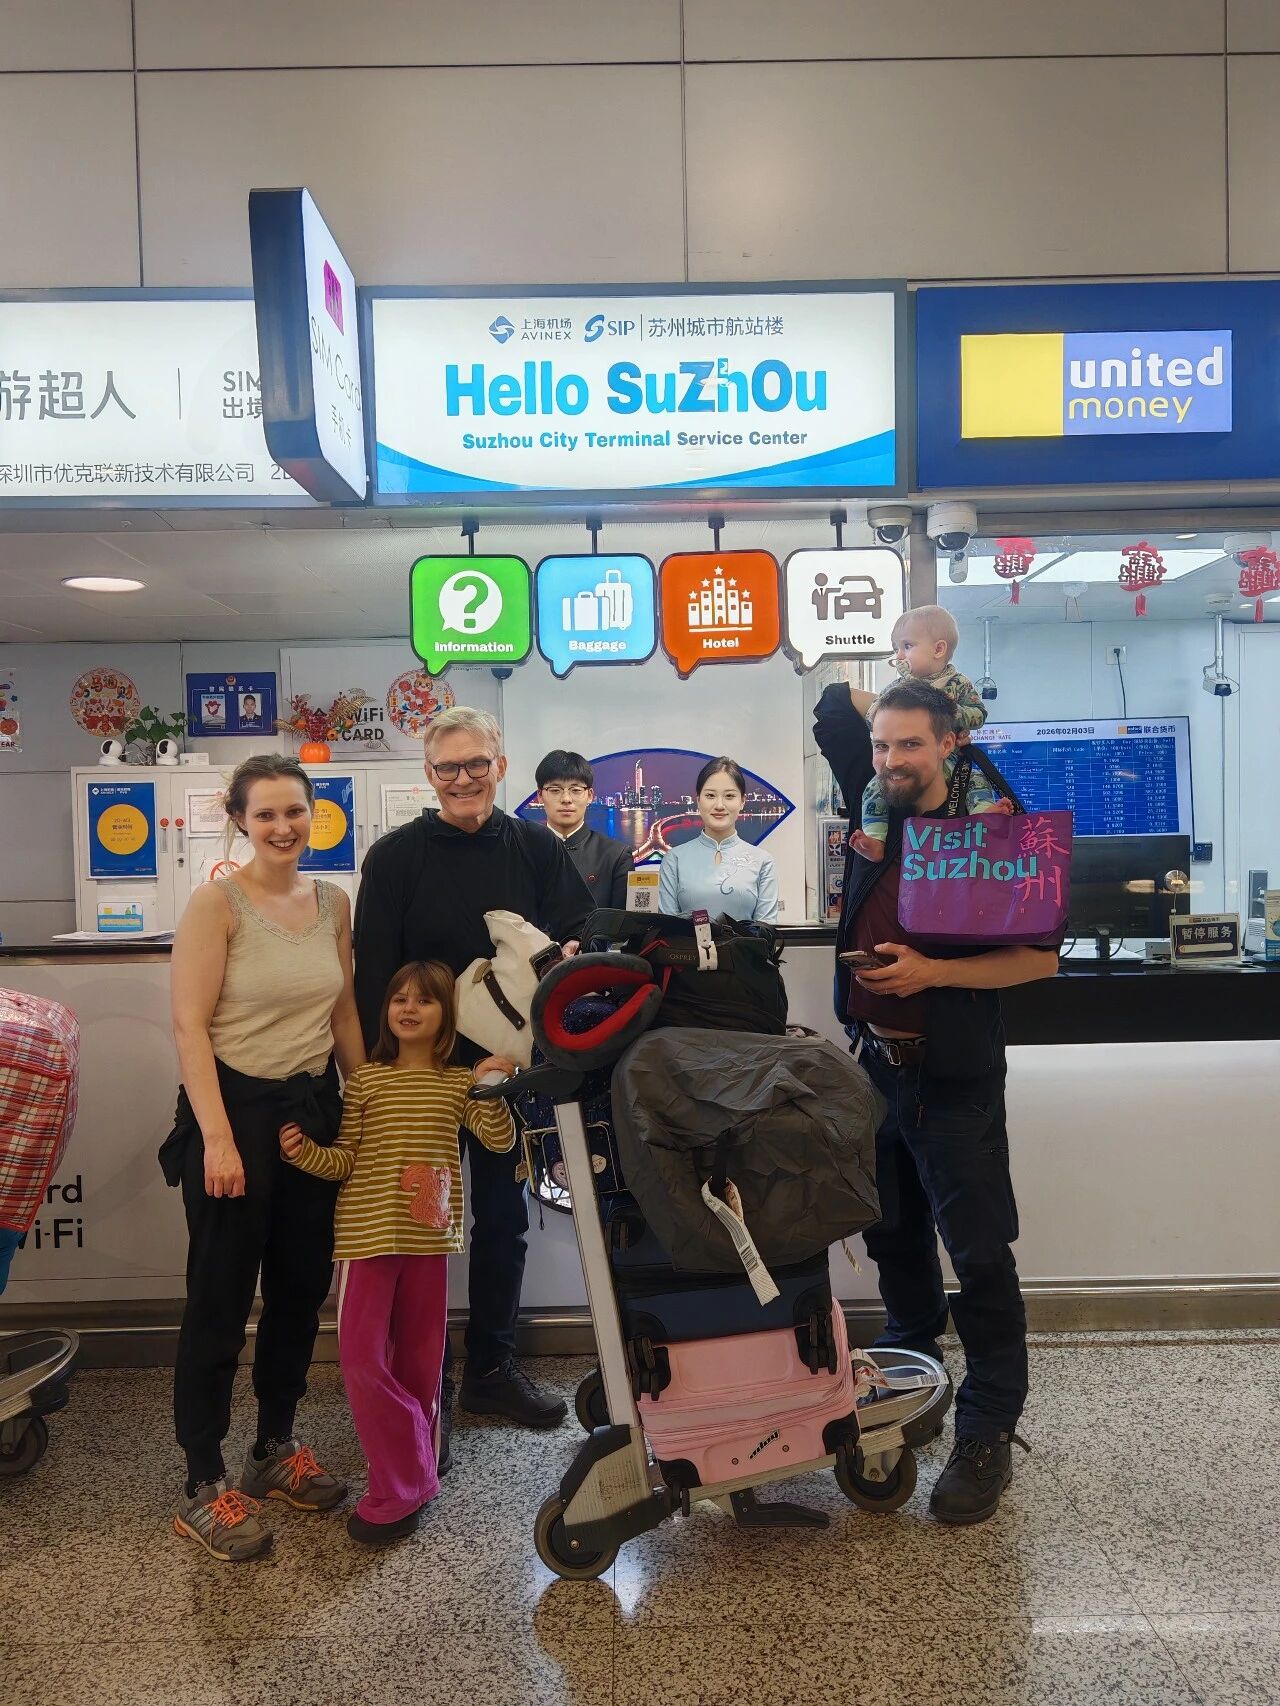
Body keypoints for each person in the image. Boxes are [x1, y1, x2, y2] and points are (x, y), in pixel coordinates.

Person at [814, 677, 1061, 1525]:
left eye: (911, 744)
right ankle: (911, 1373)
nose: (891, 760)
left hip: (954, 1078)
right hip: (874, 1070)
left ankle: (987, 1427)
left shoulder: (992, 826)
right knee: (892, 1233)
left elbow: (1040, 960)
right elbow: (833, 710)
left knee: (981, 1255)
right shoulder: (874, 809)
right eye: (882, 745)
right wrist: (884, 693)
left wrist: (933, 972)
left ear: (951, 745)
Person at [353, 706, 591, 1466]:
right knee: (413, 1231)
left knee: (502, 1220)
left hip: (506, 1075)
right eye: (448, 767)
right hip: (417, 1080)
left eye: (476, 764)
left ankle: (491, 1367)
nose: (463, 779)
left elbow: (576, 942)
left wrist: (560, 980)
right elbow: (372, 974)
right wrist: (381, 1078)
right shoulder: (394, 859)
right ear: (429, 775)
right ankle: (421, 1384)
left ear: (501, 765)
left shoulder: (537, 849)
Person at [167, 753, 365, 1563]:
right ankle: (203, 1479)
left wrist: (366, 1107)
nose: (283, 827)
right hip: (234, 1112)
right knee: (219, 1298)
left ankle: (274, 1446)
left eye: (295, 811)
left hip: (312, 1111)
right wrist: (216, 1136)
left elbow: (343, 1013)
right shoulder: (216, 905)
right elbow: (189, 1026)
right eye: (267, 814)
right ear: (240, 821)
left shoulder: (333, 903)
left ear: (314, 813)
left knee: (299, 1289)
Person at [280, 960, 516, 1547]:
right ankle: (411, 1468)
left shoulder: (458, 1084)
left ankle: (404, 1481)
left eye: (425, 1000)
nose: (409, 1008)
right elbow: (344, 1159)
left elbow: (499, 1141)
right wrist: (303, 1154)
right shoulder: (366, 1081)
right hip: (365, 1238)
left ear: (446, 1015)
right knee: (361, 1360)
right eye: (399, 999)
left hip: (428, 1240)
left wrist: (490, 1085)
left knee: (420, 1365)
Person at [857, 605, 999, 861]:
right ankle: (875, 837)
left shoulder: (958, 683)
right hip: (920, 779)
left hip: (952, 761)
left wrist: (949, 713)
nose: (899, 655)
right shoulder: (896, 688)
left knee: (976, 780)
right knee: (875, 788)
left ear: (938, 649)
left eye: (907, 646)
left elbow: (979, 714)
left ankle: (984, 816)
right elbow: (872, 716)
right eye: (896, 649)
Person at [658, 756, 779, 924]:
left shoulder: (763, 861)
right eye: (710, 795)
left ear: (742, 801)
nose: (719, 805)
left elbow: (766, 929)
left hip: (748, 943)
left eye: (729, 796)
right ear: (698, 800)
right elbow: (668, 926)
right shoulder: (674, 859)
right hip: (685, 943)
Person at [535, 749, 633, 910]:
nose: (566, 799)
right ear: (540, 795)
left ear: (589, 795)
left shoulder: (615, 856)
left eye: (576, 790)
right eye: (555, 790)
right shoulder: (521, 852)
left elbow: (621, 922)